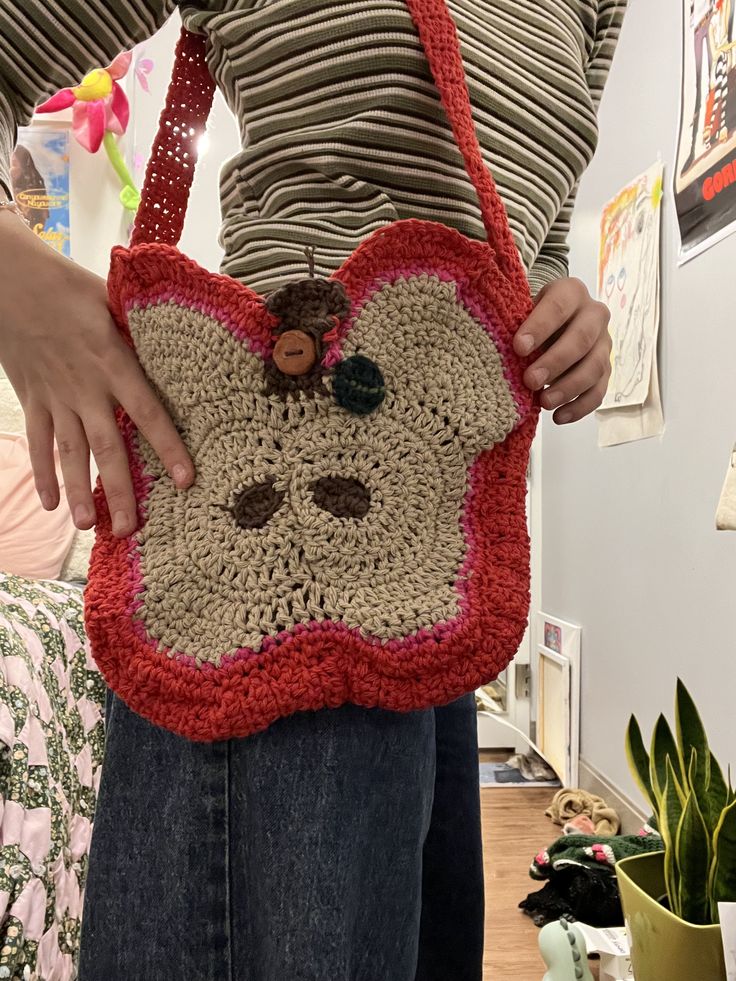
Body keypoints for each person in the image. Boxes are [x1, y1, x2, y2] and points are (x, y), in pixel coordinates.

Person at [0, 2, 626, 979]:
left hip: (428, 573)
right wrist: (13, 285)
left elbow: (519, 224)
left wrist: (561, 304)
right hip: (254, 578)